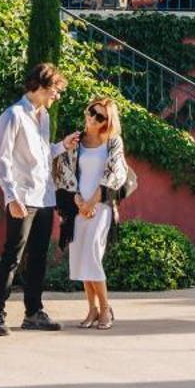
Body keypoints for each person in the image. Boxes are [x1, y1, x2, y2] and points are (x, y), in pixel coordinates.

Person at [0, 63, 74, 336]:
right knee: (12, 255)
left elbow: (41, 152)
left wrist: (62, 146)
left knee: (38, 257)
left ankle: (33, 312)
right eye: (55, 90)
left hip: (44, 196)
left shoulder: (43, 117)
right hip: (22, 198)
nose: (56, 96)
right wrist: (11, 197)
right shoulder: (12, 115)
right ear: (39, 86)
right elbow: (2, 159)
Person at [53, 95, 133, 329]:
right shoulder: (75, 140)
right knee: (80, 259)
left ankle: (106, 309)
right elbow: (63, 172)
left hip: (101, 207)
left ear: (107, 121)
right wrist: (79, 202)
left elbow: (114, 174)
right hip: (78, 208)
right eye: (91, 111)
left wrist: (92, 203)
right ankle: (92, 310)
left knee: (91, 254)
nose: (93, 118)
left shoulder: (113, 142)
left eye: (100, 116)